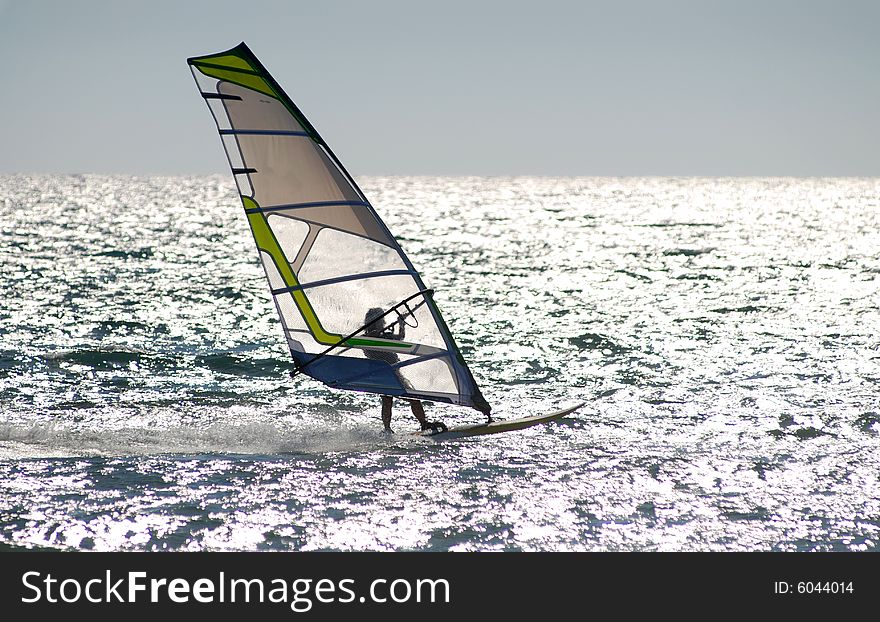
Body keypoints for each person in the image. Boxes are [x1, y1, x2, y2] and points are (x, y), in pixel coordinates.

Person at [362, 307, 446, 434]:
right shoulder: (368, 337)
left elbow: (400, 337)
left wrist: (401, 323)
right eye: (382, 319)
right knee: (411, 398)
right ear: (377, 321)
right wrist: (382, 332)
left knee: (387, 400)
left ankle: (387, 428)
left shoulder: (383, 335)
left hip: (385, 374)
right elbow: (373, 339)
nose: (384, 322)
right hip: (389, 374)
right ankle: (422, 423)